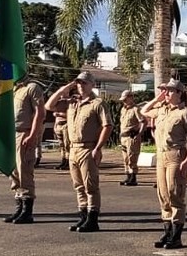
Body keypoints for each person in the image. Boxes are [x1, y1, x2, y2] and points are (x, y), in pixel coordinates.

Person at [45, 71, 113, 232]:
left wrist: (98, 148)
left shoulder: (97, 104)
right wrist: (65, 88)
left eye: (84, 83)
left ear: (92, 85)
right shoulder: (72, 102)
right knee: (78, 186)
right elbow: (49, 106)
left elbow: (107, 126)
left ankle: (92, 218)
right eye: (79, 83)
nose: (81, 86)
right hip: (73, 148)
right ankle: (83, 215)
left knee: (90, 185)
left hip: (88, 147)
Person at [141, 79, 187, 249]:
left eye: (170, 91)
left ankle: (176, 236)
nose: (166, 93)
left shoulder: (185, 113)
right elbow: (144, 111)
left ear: (179, 93)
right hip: (161, 155)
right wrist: (157, 99)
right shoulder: (162, 110)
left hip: (176, 155)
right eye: (165, 90)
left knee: (175, 194)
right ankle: (167, 232)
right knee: (163, 195)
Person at [4, 76, 45, 224]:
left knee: (24, 171)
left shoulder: (32, 88)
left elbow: (40, 112)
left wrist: (32, 135)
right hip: (12, 134)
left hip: (25, 133)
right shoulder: (14, 89)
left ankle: (27, 211)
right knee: (14, 172)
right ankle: (19, 207)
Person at [117, 90, 143, 186]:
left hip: (131, 136)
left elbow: (143, 122)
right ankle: (128, 175)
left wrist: (139, 134)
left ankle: (133, 177)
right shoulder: (123, 109)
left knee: (132, 157)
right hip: (123, 136)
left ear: (131, 98)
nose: (124, 101)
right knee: (125, 158)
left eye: (125, 99)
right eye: (123, 100)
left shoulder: (136, 109)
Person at [51, 93, 72, 170]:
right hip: (58, 125)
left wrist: (60, 114)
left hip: (65, 124)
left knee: (67, 144)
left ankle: (68, 161)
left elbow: (71, 115)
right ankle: (63, 160)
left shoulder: (70, 102)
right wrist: (55, 126)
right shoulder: (58, 102)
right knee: (61, 145)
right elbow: (49, 106)